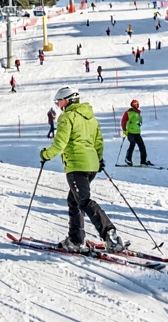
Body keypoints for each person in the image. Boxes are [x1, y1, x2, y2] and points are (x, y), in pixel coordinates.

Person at [41, 86, 123, 254]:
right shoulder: (91, 118)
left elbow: (60, 143)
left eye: (60, 101)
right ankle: (75, 239)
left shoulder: (67, 117)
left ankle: (110, 234)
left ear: (69, 100)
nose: (58, 105)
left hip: (77, 165)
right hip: (91, 165)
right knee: (74, 200)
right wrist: (99, 160)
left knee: (83, 201)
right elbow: (98, 142)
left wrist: (46, 155)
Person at [120, 99, 150, 166]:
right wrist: (124, 130)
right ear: (132, 105)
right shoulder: (128, 112)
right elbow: (123, 121)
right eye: (134, 104)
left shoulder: (138, 113)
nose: (136, 105)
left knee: (138, 146)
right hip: (131, 132)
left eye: (137, 104)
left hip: (136, 132)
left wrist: (138, 125)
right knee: (136, 145)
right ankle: (133, 160)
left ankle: (140, 161)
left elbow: (140, 122)